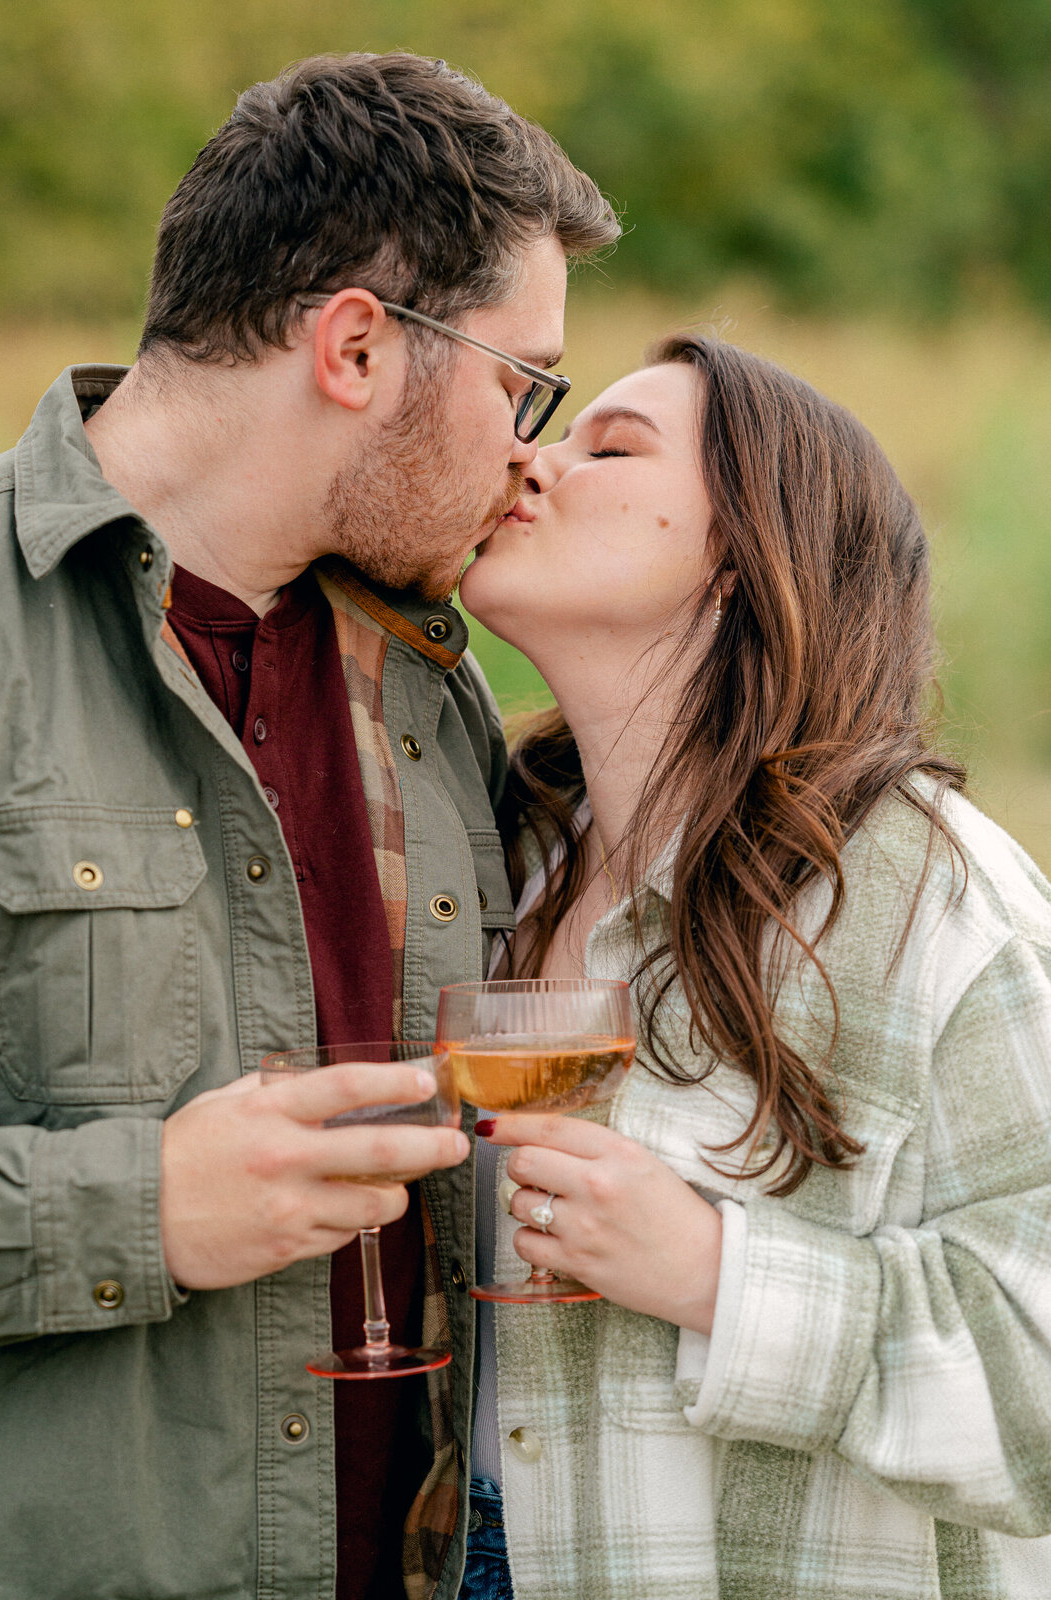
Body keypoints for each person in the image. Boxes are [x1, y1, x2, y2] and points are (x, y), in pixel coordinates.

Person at [0, 53, 619, 1600]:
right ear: (353, 345)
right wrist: (134, 1208)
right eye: (517, 380)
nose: (532, 447)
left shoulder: (431, 686)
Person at [456, 335, 1051, 1598]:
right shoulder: (491, 855)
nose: (530, 460)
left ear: (746, 559)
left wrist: (716, 1277)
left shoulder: (933, 898)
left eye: (608, 447)